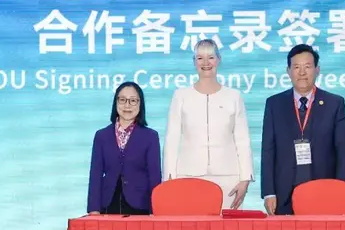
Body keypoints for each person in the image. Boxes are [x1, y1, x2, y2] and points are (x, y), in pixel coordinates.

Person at [162, 39, 254, 209]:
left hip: (228, 178)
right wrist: (169, 177)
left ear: (218, 60)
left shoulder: (234, 96)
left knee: (227, 225)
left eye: (211, 57)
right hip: (188, 175)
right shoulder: (181, 96)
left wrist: (245, 178)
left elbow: (243, 140)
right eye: (200, 58)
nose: (206, 63)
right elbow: (171, 139)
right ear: (194, 62)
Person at [261, 44, 345, 215]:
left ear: (317, 70)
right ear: (288, 71)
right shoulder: (274, 104)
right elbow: (268, 150)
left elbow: (342, 152)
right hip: (283, 193)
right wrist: (269, 192)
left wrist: (340, 190)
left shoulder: (334, 103)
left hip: (324, 189)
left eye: (307, 66)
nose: (302, 72)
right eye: (296, 67)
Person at [87, 81, 161, 215]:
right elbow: (95, 175)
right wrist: (94, 209)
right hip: (108, 205)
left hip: (140, 206)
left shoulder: (151, 136)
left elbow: (154, 176)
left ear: (140, 104)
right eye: (122, 100)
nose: (127, 105)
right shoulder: (101, 136)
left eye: (133, 100)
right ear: (115, 103)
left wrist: (154, 210)